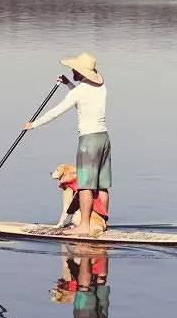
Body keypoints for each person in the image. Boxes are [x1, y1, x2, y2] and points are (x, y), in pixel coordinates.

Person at [23, 52, 111, 236]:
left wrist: (33, 125)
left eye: (74, 70)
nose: (72, 71)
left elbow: (56, 111)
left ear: (81, 72)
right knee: (101, 184)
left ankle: (84, 226)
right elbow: (83, 96)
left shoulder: (79, 92)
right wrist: (69, 84)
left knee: (85, 185)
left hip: (89, 141)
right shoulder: (101, 86)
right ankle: (102, 223)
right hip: (104, 139)